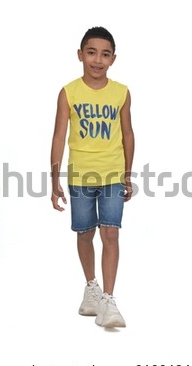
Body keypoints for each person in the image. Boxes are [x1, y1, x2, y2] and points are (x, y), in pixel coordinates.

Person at [50, 26, 134, 328]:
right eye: (92, 52)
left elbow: (127, 134)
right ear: (80, 55)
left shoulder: (121, 92)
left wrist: (127, 174)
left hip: (112, 173)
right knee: (84, 233)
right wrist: (54, 178)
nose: (98, 60)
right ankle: (91, 288)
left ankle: (109, 300)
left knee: (111, 233)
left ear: (113, 59)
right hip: (80, 176)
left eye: (105, 54)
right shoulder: (69, 92)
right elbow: (59, 135)